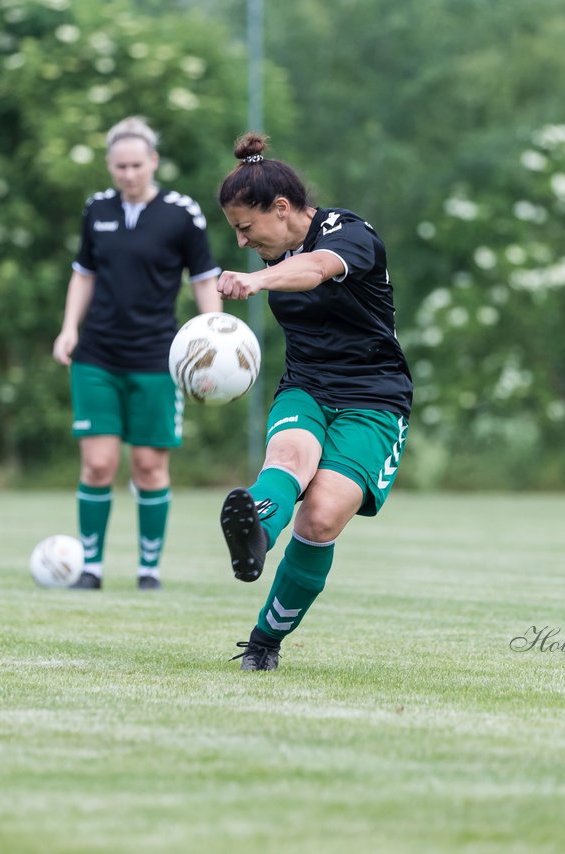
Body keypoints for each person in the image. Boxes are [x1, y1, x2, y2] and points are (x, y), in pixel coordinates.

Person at [214, 133, 413, 671]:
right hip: (307, 384)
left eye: (245, 228)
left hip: (375, 397)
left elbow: (316, 269)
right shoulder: (274, 252)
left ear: (282, 209)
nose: (241, 242)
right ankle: (256, 527)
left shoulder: (348, 233)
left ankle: (264, 640)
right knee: (289, 459)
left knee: (322, 518)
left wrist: (256, 281)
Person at [52, 116, 222, 591]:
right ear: (110, 165)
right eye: (119, 166)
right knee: (99, 464)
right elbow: (83, 273)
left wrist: (212, 335)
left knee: (148, 464)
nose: (128, 174)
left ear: (154, 162)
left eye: (136, 165)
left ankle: (149, 570)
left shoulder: (181, 213)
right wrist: (69, 329)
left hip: (156, 357)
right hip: (97, 357)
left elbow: (204, 278)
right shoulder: (96, 210)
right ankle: (90, 568)